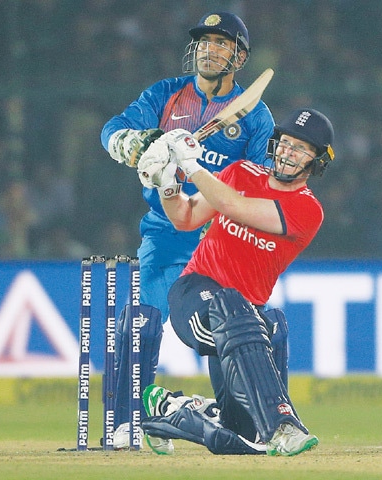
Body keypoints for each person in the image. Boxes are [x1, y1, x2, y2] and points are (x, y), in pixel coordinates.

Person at [99, 12, 274, 449]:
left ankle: (235, 418)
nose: (208, 50)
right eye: (203, 42)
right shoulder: (166, 94)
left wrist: (200, 175)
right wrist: (143, 144)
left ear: (239, 56)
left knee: (224, 330)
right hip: (165, 230)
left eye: (220, 43)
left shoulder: (255, 118)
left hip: (219, 237)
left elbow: (258, 184)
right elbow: (111, 130)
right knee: (145, 317)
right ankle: (130, 419)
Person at [134, 107, 335, 456]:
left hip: (243, 320)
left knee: (240, 437)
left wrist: (192, 166)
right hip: (195, 294)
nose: (288, 152)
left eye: (301, 148)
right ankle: (282, 426)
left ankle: (169, 410)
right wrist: (167, 182)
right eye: (285, 142)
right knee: (232, 304)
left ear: (316, 161)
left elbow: (237, 207)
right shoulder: (239, 172)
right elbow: (185, 217)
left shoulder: (307, 210)